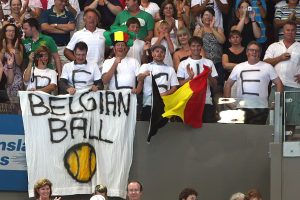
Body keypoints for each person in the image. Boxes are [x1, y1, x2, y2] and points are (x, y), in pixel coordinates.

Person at [224, 41, 283, 124]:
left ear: (260, 53)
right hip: (241, 107)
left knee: (257, 135)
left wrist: (276, 101)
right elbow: (228, 84)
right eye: (251, 50)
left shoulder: (268, 67)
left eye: (257, 50)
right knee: (241, 134)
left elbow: (279, 83)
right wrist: (227, 101)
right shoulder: (238, 67)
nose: (254, 52)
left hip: (260, 108)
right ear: (247, 52)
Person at [264, 21, 300, 137]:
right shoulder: (274, 46)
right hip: (276, 87)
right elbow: (265, 63)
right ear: (283, 32)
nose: (290, 32)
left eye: (293, 30)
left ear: (296, 32)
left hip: (294, 87)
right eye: (287, 30)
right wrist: (279, 58)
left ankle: (288, 144)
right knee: (273, 118)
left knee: (292, 119)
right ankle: (270, 145)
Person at [177, 36, 218, 123]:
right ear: (189, 47)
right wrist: (189, 78)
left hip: (206, 101)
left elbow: (214, 85)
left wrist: (209, 76)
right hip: (189, 101)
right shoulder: (183, 63)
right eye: (193, 46)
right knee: (190, 131)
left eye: (198, 46)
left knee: (207, 129)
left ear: (201, 47)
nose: (196, 48)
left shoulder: (209, 63)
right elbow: (179, 85)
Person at [138, 44, 179, 121]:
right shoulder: (146, 66)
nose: (159, 54)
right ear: (152, 54)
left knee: (163, 129)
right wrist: (143, 75)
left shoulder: (170, 69)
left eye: (162, 52)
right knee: (146, 128)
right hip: (148, 103)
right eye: (157, 51)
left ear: (164, 55)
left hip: (164, 104)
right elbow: (138, 79)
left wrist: (163, 94)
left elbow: (174, 87)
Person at [193, 7, 225, 87]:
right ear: (202, 17)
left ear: (213, 18)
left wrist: (212, 28)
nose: (207, 17)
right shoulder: (198, 29)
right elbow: (197, 42)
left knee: (218, 86)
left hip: (218, 63)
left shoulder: (218, 29)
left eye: (210, 15)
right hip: (204, 63)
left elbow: (222, 41)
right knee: (205, 85)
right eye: (206, 15)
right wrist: (202, 28)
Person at [40, 0, 76, 66]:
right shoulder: (46, 13)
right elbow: (44, 27)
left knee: (66, 71)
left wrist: (55, 25)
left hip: (64, 48)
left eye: (65, 2)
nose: (63, 3)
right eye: (61, 1)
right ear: (55, 0)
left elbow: (71, 27)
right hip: (49, 48)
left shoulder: (69, 14)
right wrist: (64, 30)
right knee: (49, 70)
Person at [0, 23, 24, 98]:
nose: (11, 33)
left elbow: (19, 63)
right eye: (9, 31)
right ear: (4, 32)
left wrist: (16, 49)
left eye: (13, 31)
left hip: (16, 75)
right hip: (3, 74)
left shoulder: (19, 45)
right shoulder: (0, 45)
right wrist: (3, 49)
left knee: (15, 101)